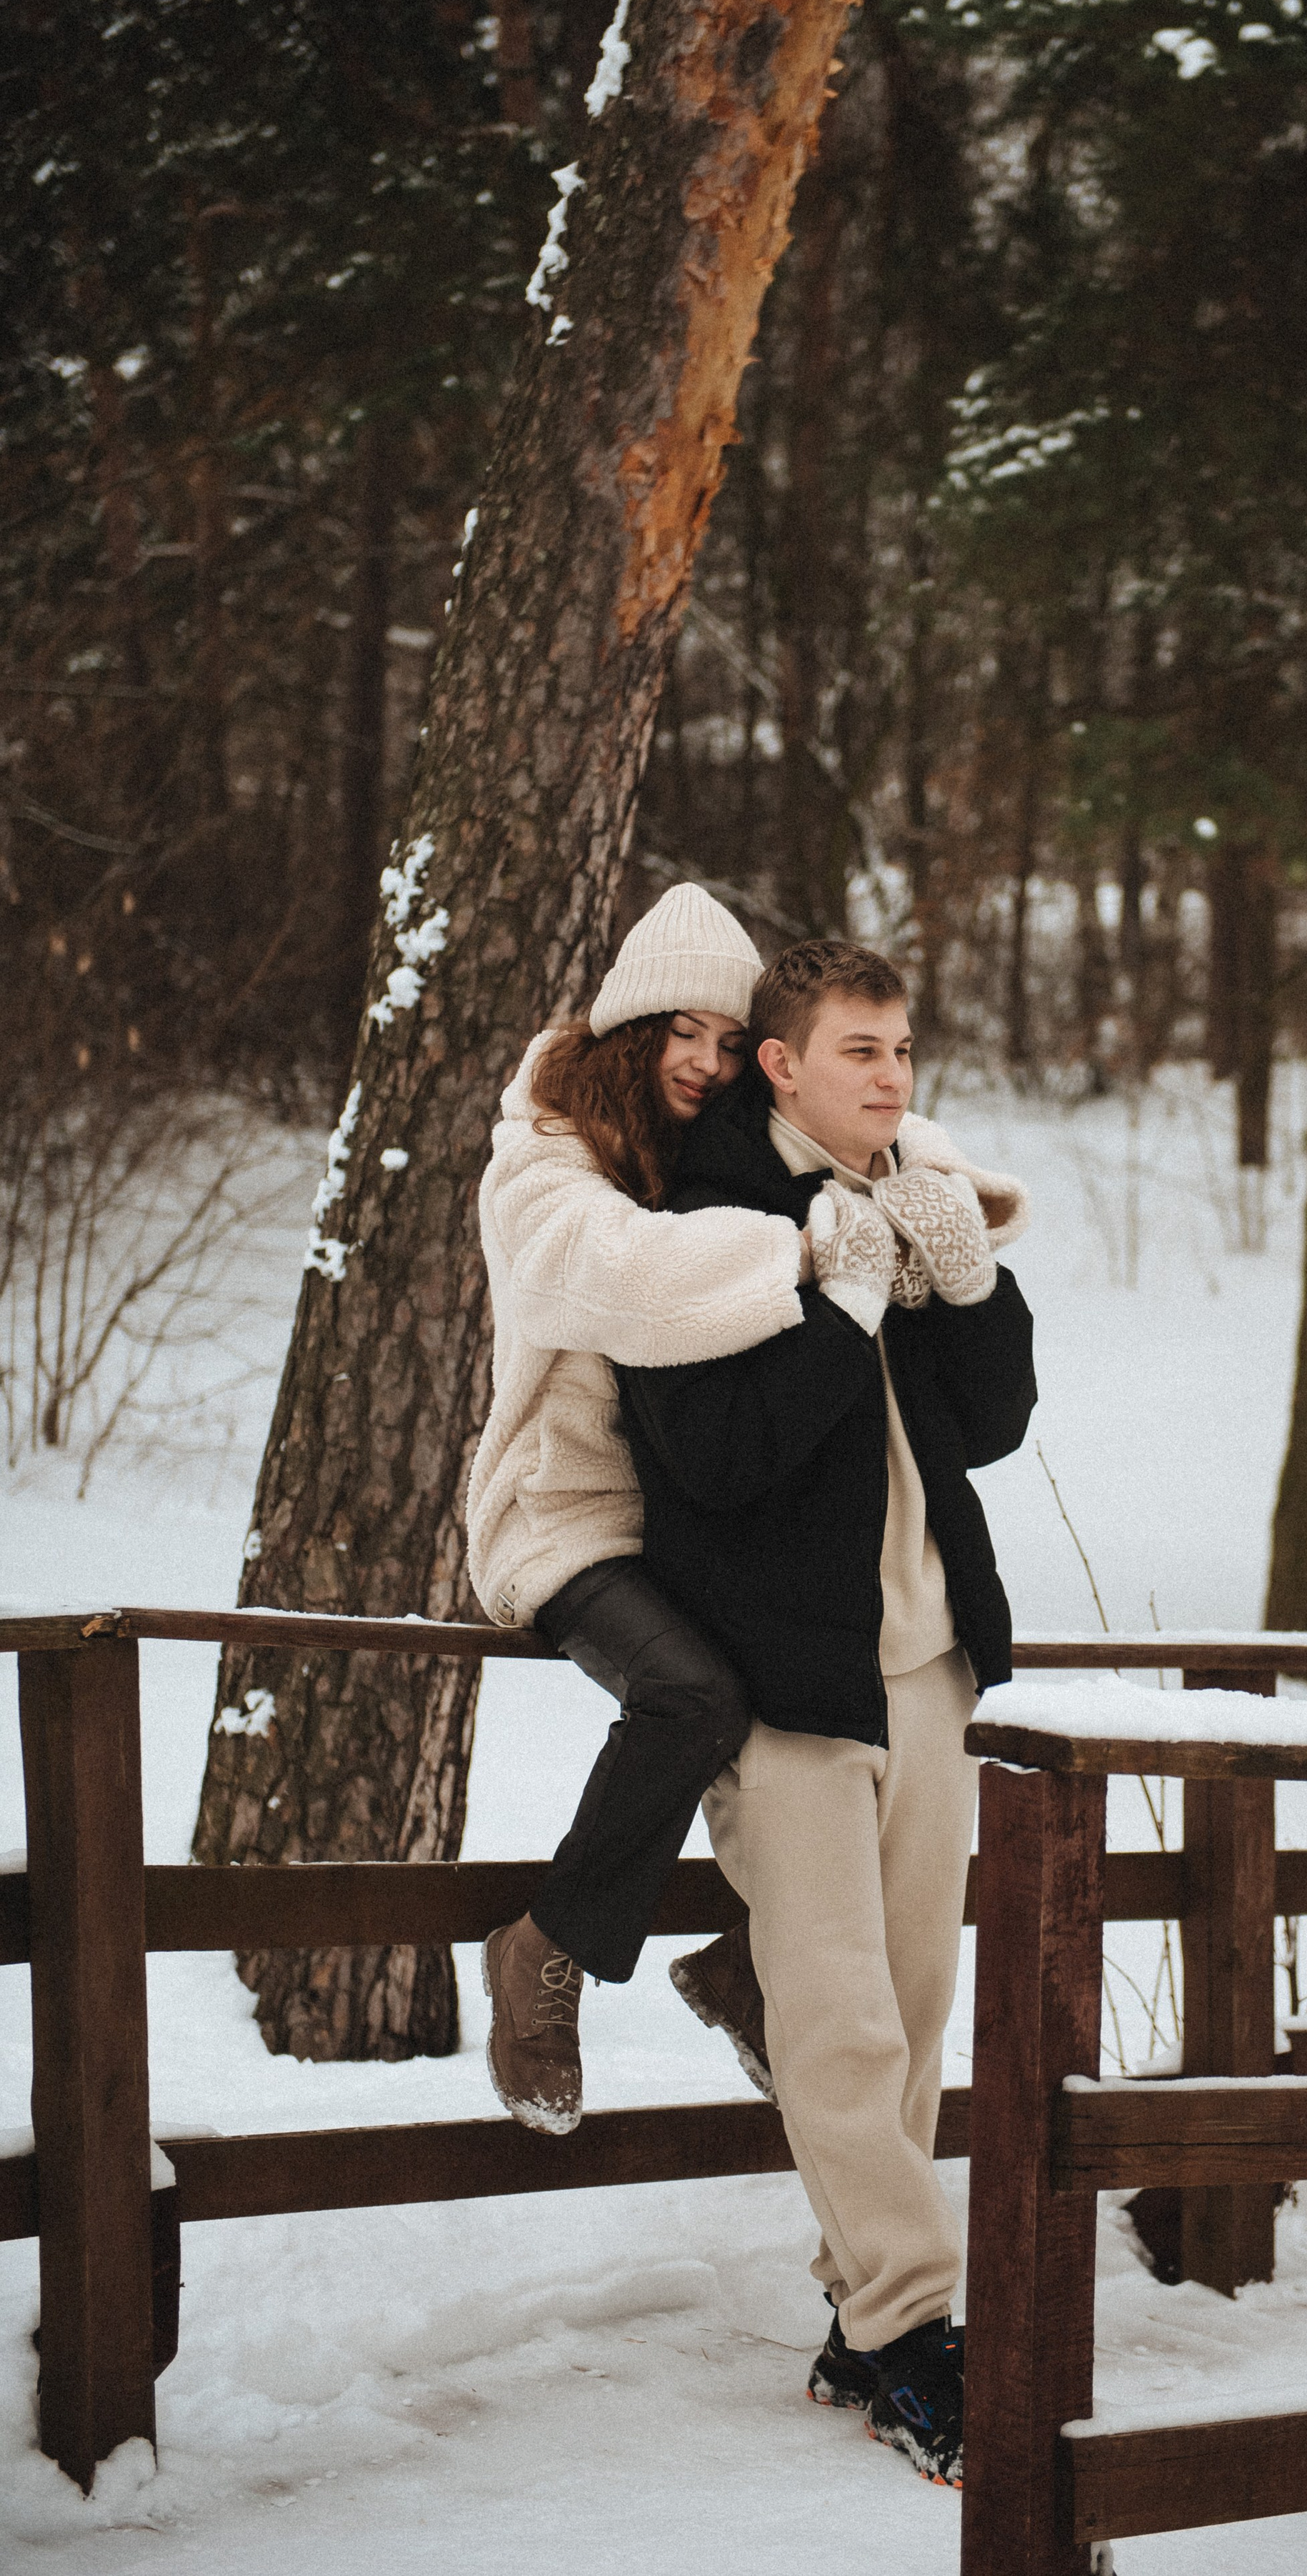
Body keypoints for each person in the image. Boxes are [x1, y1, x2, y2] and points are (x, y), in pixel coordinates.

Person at [616, 937, 1035, 2489]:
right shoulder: (699, 1221)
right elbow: (716, 1462)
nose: (894, 1077)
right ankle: (915, 2326)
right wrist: (836, 1308)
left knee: (913, 2009)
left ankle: (863, 2328)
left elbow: (991, 1423)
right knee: (839, 2018)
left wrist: (965, 1281)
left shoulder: (911, 1190)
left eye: (905, 1049)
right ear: (781, 1063)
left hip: (928, 1661)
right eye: (862, 1050)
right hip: (788, 1681)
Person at [466, 882, 849, 2133]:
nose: (706, 1061)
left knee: (817, 1682)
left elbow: (871, 1118)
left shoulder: (707, 1148)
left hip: (684, 1524)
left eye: (732, 1042)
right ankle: (543, 1950)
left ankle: (742, 1963)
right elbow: (623, 1279)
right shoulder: (542, 1159)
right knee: (692, 1696)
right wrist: (813, 1248)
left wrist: (954, 1200)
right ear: (631, 1028)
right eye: (683, 1031)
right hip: (562, 1518)